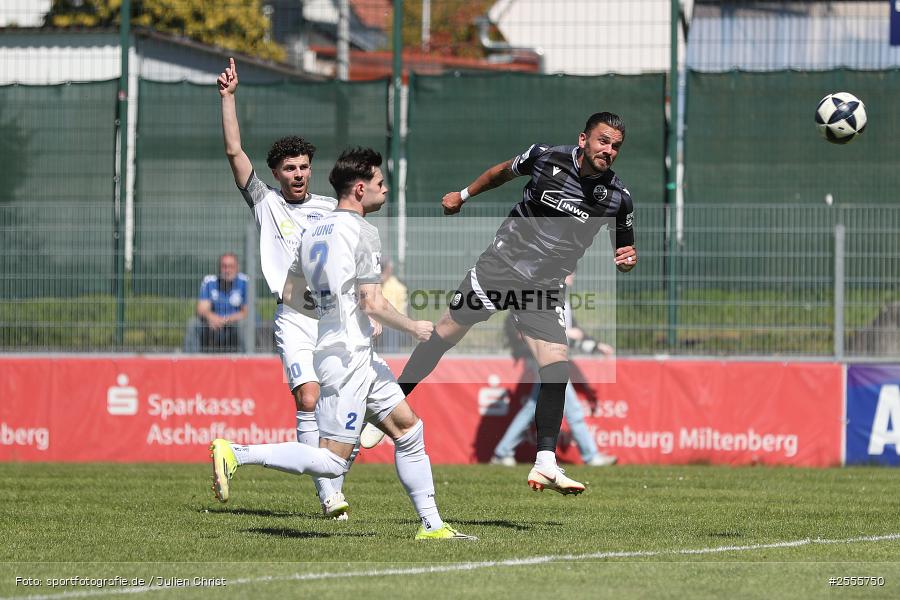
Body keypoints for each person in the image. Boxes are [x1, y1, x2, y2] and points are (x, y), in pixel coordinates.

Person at [210, 147, 476, 540]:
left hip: (346, 350)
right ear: (359, 189)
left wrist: (334, 312)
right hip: (347, 357)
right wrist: (413, 327)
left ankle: (432, 526)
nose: (385, 190)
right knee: (333, 464)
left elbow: (289, 291)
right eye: (380, 184)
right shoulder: (362, 230)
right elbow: (373, 301)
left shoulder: (313, 230)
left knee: (408, 429)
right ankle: (237, 453)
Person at [397, 112, 637, 495]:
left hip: (543, 290)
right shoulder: (546, 157)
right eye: (603, 141)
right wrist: (463, 195)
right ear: (583, 140)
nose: (609, 150)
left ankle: (545, 462)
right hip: (500, 270)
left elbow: (624, 250)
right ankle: (391, 404)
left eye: (616, 146)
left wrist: (626, 261)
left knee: (557, 367)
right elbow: (500, 173)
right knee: (442, 336)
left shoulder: (618, 199)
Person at [216, 57, 379, 519]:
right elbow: (234, 153)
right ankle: (329, 497)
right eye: (290, 168)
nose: (299, 174)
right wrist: (228, 98)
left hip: (333, 317)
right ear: (277, 173)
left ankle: (334, 471)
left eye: (305, 166)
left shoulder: (333, 207)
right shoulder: (265, 204)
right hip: (294, 317)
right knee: (307, 399)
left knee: (340, 405)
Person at [491, 273, 617, 467]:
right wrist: (573, 336)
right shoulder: (543, 294)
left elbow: (575, 332)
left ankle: (502, 452)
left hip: (551, 356)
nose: (573, 275)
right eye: (570, 270)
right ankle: (591, 456)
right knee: (572, 408)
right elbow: (545, 331)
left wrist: (595, 345)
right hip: (542, 356)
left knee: (533, 407)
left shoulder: (562, 299)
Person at [183, 253, 249, 353]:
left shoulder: (245, 282)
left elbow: (246, 312)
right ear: (219, 268)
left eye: (231, 266)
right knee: (193, 324)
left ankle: (245, 361)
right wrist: (211, 317)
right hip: (213, 326)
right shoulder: (209, 282)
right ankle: (190, 363)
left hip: (234, 326)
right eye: (224, 266)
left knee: (243, 325)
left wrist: (226, 320)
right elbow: (201, 309)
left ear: (237, 268)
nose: (227, 270)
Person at [375, 256, 409, 353]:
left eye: (383, 269)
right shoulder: (369, 286)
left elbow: (400, 315)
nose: (380, 272)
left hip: (393, 327)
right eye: (379, 269)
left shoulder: (399, 288)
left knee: (391, 329)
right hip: (373, 323)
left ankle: (391, 360)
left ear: (389, 270)